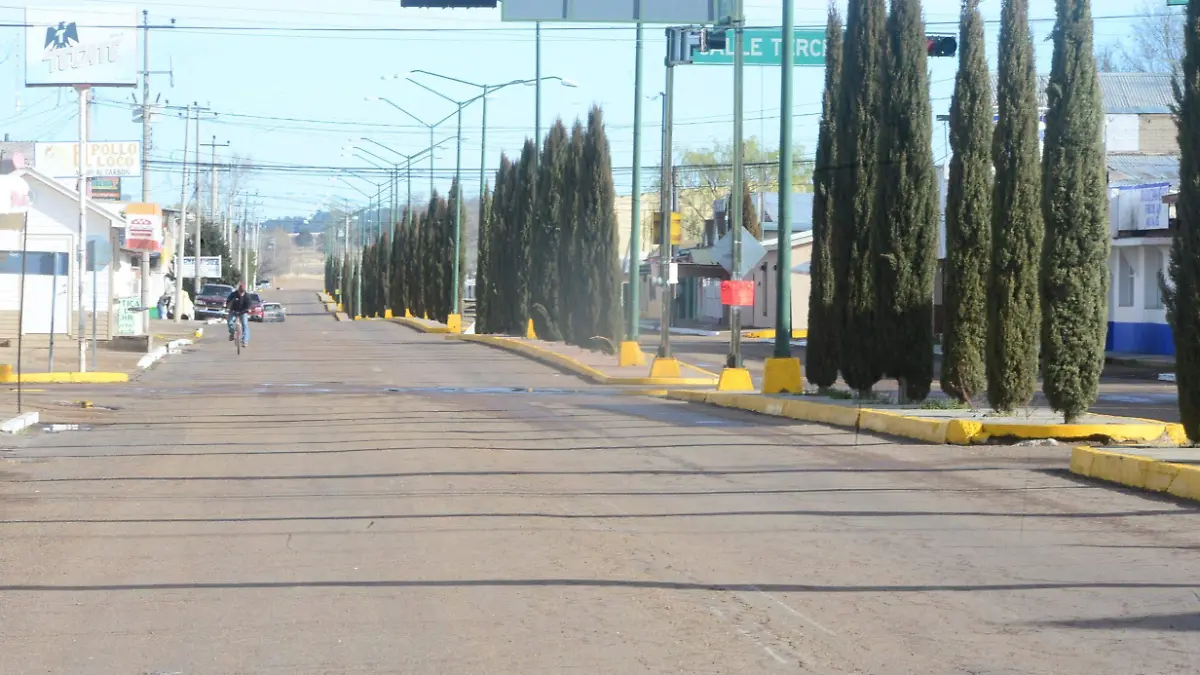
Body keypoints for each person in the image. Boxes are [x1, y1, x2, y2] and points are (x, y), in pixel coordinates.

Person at [226, 282, 252, 346]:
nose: (241, 293)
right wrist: (228, 307)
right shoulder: (233, 294)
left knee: (245, 325)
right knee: (230, 322)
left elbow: (249, 305)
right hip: (233, 311)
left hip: (243, 312)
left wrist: (248, 309)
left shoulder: (247, 296)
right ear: (238, 290)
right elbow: (228, 302)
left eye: (242, 292)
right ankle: (232, 333)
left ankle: (245, 341)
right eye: (240, 292)